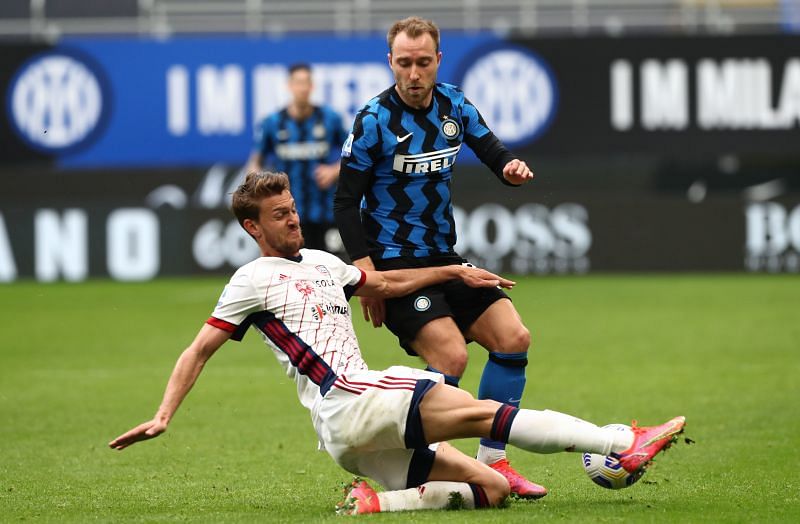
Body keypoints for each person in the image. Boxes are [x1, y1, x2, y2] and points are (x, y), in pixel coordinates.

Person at [109, 171, 686, 515]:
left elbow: (384, 283)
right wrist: (163, 415)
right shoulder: (249, 280)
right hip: (350, 398)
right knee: (488, 415)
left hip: (351, 437)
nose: (293, 221)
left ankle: (376, 504)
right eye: (279, 217)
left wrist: (453, 272)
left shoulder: (319, 261)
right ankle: (621, 441)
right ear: (251, 228)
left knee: (488, 491)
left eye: (292, 210)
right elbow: (198, 350)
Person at [334, 16, 542, 497]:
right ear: (390, 62)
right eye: (403, 63)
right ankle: (424, 466)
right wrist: (367, 276)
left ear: (437, 61)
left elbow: (494, 153)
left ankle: (495, 461)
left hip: (445, 256)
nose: (413, 74)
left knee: (514, 337)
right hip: (394, 264)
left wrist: (510, 169)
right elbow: (346, 203)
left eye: (422, 63)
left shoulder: (454, 103)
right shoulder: (372, 121)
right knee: (450, 354)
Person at [247, 63, 348, 254]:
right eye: (298, 82)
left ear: (312, 86)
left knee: (331, 266)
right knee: (291, 269)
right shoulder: (273, 122)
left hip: (324, 209)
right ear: (289, 86)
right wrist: (258, 182)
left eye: (306, 82)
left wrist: (334, 170)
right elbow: (255, 160)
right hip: (287, 212)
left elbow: (354, 153)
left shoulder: (330, 119)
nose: (302, 88)